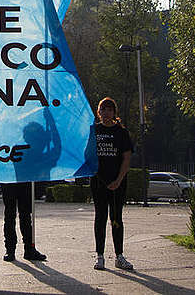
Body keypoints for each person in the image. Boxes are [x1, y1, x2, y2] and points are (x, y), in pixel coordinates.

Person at [1, 108, 60, 262]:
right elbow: (57, 149)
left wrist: (51, 124)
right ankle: (12, 249)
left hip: (24, 185)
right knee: (12, 216)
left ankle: (27, 249)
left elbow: (57, 150)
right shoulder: (21, 150)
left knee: (23, 217)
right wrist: (51, 125)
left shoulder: (36, 153)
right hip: (11, 184)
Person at [90, 97, 134, 271]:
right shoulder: (93, 131)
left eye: (109, 109)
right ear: (98, 112)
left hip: (117, 183)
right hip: (98, 182)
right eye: (103, 109)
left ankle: (119, 256)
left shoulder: (121, 132)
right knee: (100, 217)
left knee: (116, 218)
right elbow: (87, 156)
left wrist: (118, 180)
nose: (106, 112)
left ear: (114, 112)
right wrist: (99, 175)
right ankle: (100, 256)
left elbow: (127, 158)